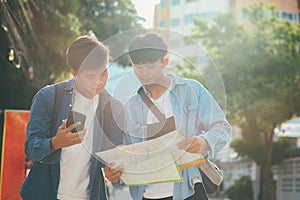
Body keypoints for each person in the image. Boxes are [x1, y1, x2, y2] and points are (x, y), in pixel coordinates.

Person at [104, 32, 231, 200]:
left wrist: (204, 141)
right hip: (148, 195)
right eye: (138, 67)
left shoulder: (191, 90)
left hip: (188, 191)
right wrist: (116, 173)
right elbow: (128, 154)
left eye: (150, 67)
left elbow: (222, 127)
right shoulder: (131, 107)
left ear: (164, 63)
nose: (144, 73)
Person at [20, 35, 124, 200]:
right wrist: (55, 142)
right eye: (91, 77)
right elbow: (31, 149)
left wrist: (116, 172)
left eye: (103, 73)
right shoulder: (48, 97)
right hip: (46, 194)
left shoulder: (113, 108)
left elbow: (116, 158)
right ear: (74, 73)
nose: (100, 82)